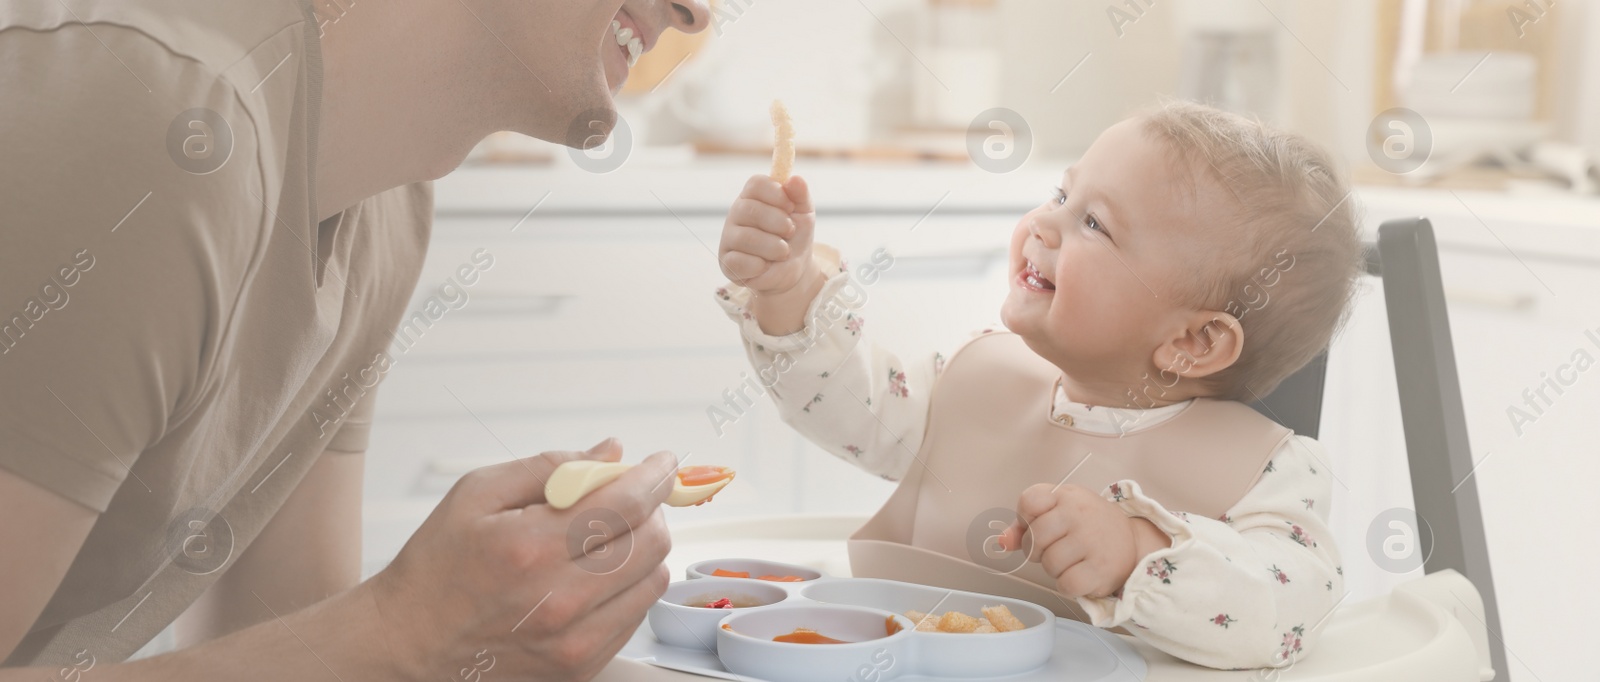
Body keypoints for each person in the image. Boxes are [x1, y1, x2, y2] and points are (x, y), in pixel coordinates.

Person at [0, 0, 709, 679]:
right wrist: (404, 632)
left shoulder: (384, 195)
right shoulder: (160, 118)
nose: (695, 12)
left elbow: (289, 645)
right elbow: (364, 649)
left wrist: (443, 640)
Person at [713, 101, 1363, 669]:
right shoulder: (974, 381)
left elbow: (1288, 610)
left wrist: (1139, 552)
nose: (1044, 226)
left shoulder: (1268, 472)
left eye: (1095, 225)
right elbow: (845, 408)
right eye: (1060, 195)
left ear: (1193, 342)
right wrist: (788, 292)